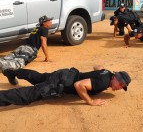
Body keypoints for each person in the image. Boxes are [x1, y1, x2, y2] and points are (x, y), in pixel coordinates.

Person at [0, 66, 131, 106]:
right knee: (29, 95)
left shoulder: (106, 73)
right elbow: (79, 85)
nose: (120, 87)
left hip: (65, 73)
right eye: (120, 84)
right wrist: (90, 101)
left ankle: (11, 72)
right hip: (61, 82)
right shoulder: (102, 83)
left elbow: (98, 67)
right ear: (116, 77)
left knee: (38, 77)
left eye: (122, 87)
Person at [0, 15, 53, 80]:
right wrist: (47, 57)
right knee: (18, 64)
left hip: (23, 47)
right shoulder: (44, 29)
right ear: (44, 23)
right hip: (29, 50)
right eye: (49, 21)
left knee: (7, 58)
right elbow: (43, 43)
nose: (51, 22)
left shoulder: (36, 28)